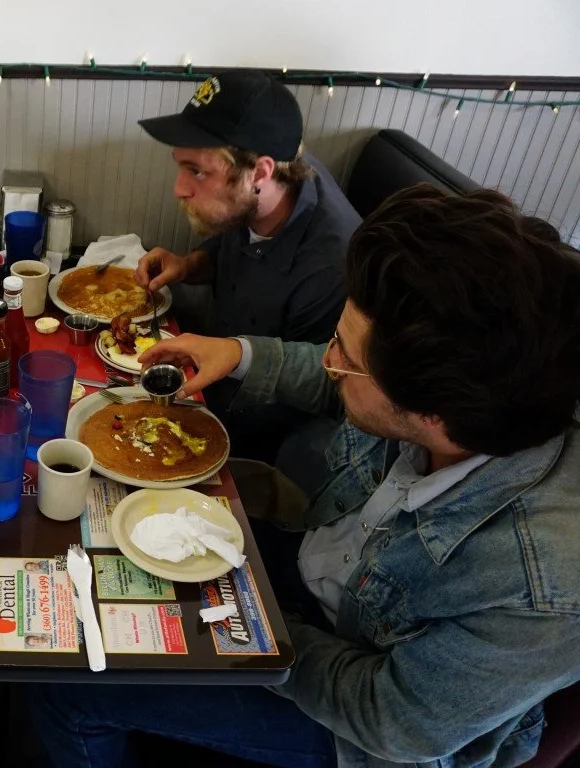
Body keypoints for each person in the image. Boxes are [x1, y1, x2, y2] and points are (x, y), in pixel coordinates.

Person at [34, 185, 580, 768]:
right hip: (305, 580)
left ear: (432, 409)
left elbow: (392, 719)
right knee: (98, 555)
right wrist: (237, 353)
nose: (328, 362)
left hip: (351, 721)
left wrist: (252, 627)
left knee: (74, 681)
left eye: (342, 354)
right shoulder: (455, 400)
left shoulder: (541, 582)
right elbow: (352, 389)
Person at [134, 70, 362, 466]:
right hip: (208, 383)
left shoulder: (331, 262)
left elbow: (323, 389)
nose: (179, 188)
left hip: (256, 443)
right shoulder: (259, 193)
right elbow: (231, 241)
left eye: (197, 171)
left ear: (260, 172)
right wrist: (189, 265)